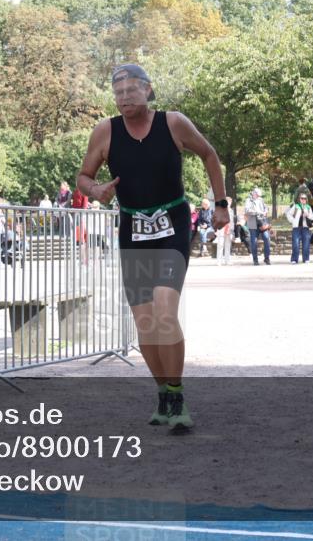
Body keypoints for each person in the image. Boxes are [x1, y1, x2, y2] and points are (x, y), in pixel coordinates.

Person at [77, 63, 229, 433]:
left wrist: (221, 204)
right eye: (118, 93)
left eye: (131, 90)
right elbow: (84, 177)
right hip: (133, 228)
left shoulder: (173, 123)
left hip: (172, 224)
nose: (124, 97)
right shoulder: (105, 131)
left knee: (164, 309)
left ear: (147, 90)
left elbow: (209, 154)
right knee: (144, 320)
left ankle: (177, 396)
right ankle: (163, 393)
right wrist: (95, 190)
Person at [244, 187, 271, 265]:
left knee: (267, 238)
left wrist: (265, 211)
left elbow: (266, 208)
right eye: (257, 195)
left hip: (262, 223)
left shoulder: (261, 200)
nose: (258, 196)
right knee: (254, 242)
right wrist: (257, 212)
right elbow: (247, 210)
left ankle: (267, 258)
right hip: (253, 223)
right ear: (254, 193)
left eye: (259, 195)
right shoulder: (248, 200)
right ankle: (255, 259)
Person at [285, 194, 313, 264]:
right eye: (302, 198)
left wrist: (308, 215)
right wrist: (293, 221)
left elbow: (312, 217)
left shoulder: (308, 207)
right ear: (299, 199)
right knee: (295, 244)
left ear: (306, 199)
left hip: (305, 228)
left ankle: (306, 259)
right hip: (296, 228)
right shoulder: (296, 206)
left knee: (306, 244)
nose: (303, 200)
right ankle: (294, 259)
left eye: (305, 198)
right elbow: (288, 214)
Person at [214, 197, 233, 265]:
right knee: (220, 245)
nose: (229, 204)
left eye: (230, 202)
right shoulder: (220, 210)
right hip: (221, 229)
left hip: (229, 229)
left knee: (228, 245)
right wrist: (216, 229)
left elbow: (232, 222)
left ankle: (227, 260)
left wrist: (232, 230)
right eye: (228, 202)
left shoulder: (231, 210)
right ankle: (219, 261)